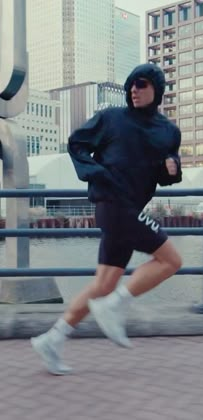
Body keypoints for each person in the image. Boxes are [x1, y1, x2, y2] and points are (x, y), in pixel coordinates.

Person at [31, 63, 183, 375]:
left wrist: (173, 170)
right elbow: (77, 144)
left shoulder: (169, 132)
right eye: (131, 85)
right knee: (171, 261)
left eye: (141, 84)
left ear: (156, 88)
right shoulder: (112, 118)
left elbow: (162, 172)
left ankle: (52, 339)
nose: (134, 90)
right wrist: (98, 173)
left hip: (130, 208)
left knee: (103, 283)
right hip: (113, 204)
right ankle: (115, 306)